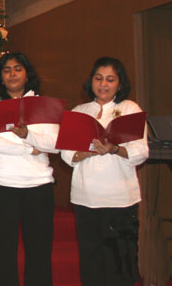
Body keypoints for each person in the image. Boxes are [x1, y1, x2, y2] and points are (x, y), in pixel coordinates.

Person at [60, 57, 148, 286]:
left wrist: (115, 149)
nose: (103, 84)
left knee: (120, 262)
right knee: (91, 261)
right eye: (98, 78)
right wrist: (88, 152)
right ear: (91, 82)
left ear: (120, 84)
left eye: (110, 79)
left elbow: (140, 151)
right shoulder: (80, 111)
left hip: (120, 198)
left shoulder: (129, 108)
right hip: (86, 197)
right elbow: (66, 154)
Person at [0, 52, 59, 286]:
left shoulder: (43, 104)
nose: (12, 74)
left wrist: (29, 136)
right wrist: (32, 147)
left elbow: (54, 143)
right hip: (0, 185)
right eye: (6, 70)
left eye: (17, 69)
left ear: (27, 74)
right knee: (2, 253)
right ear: (0, 76)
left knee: (40, 252)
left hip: (38, 185)